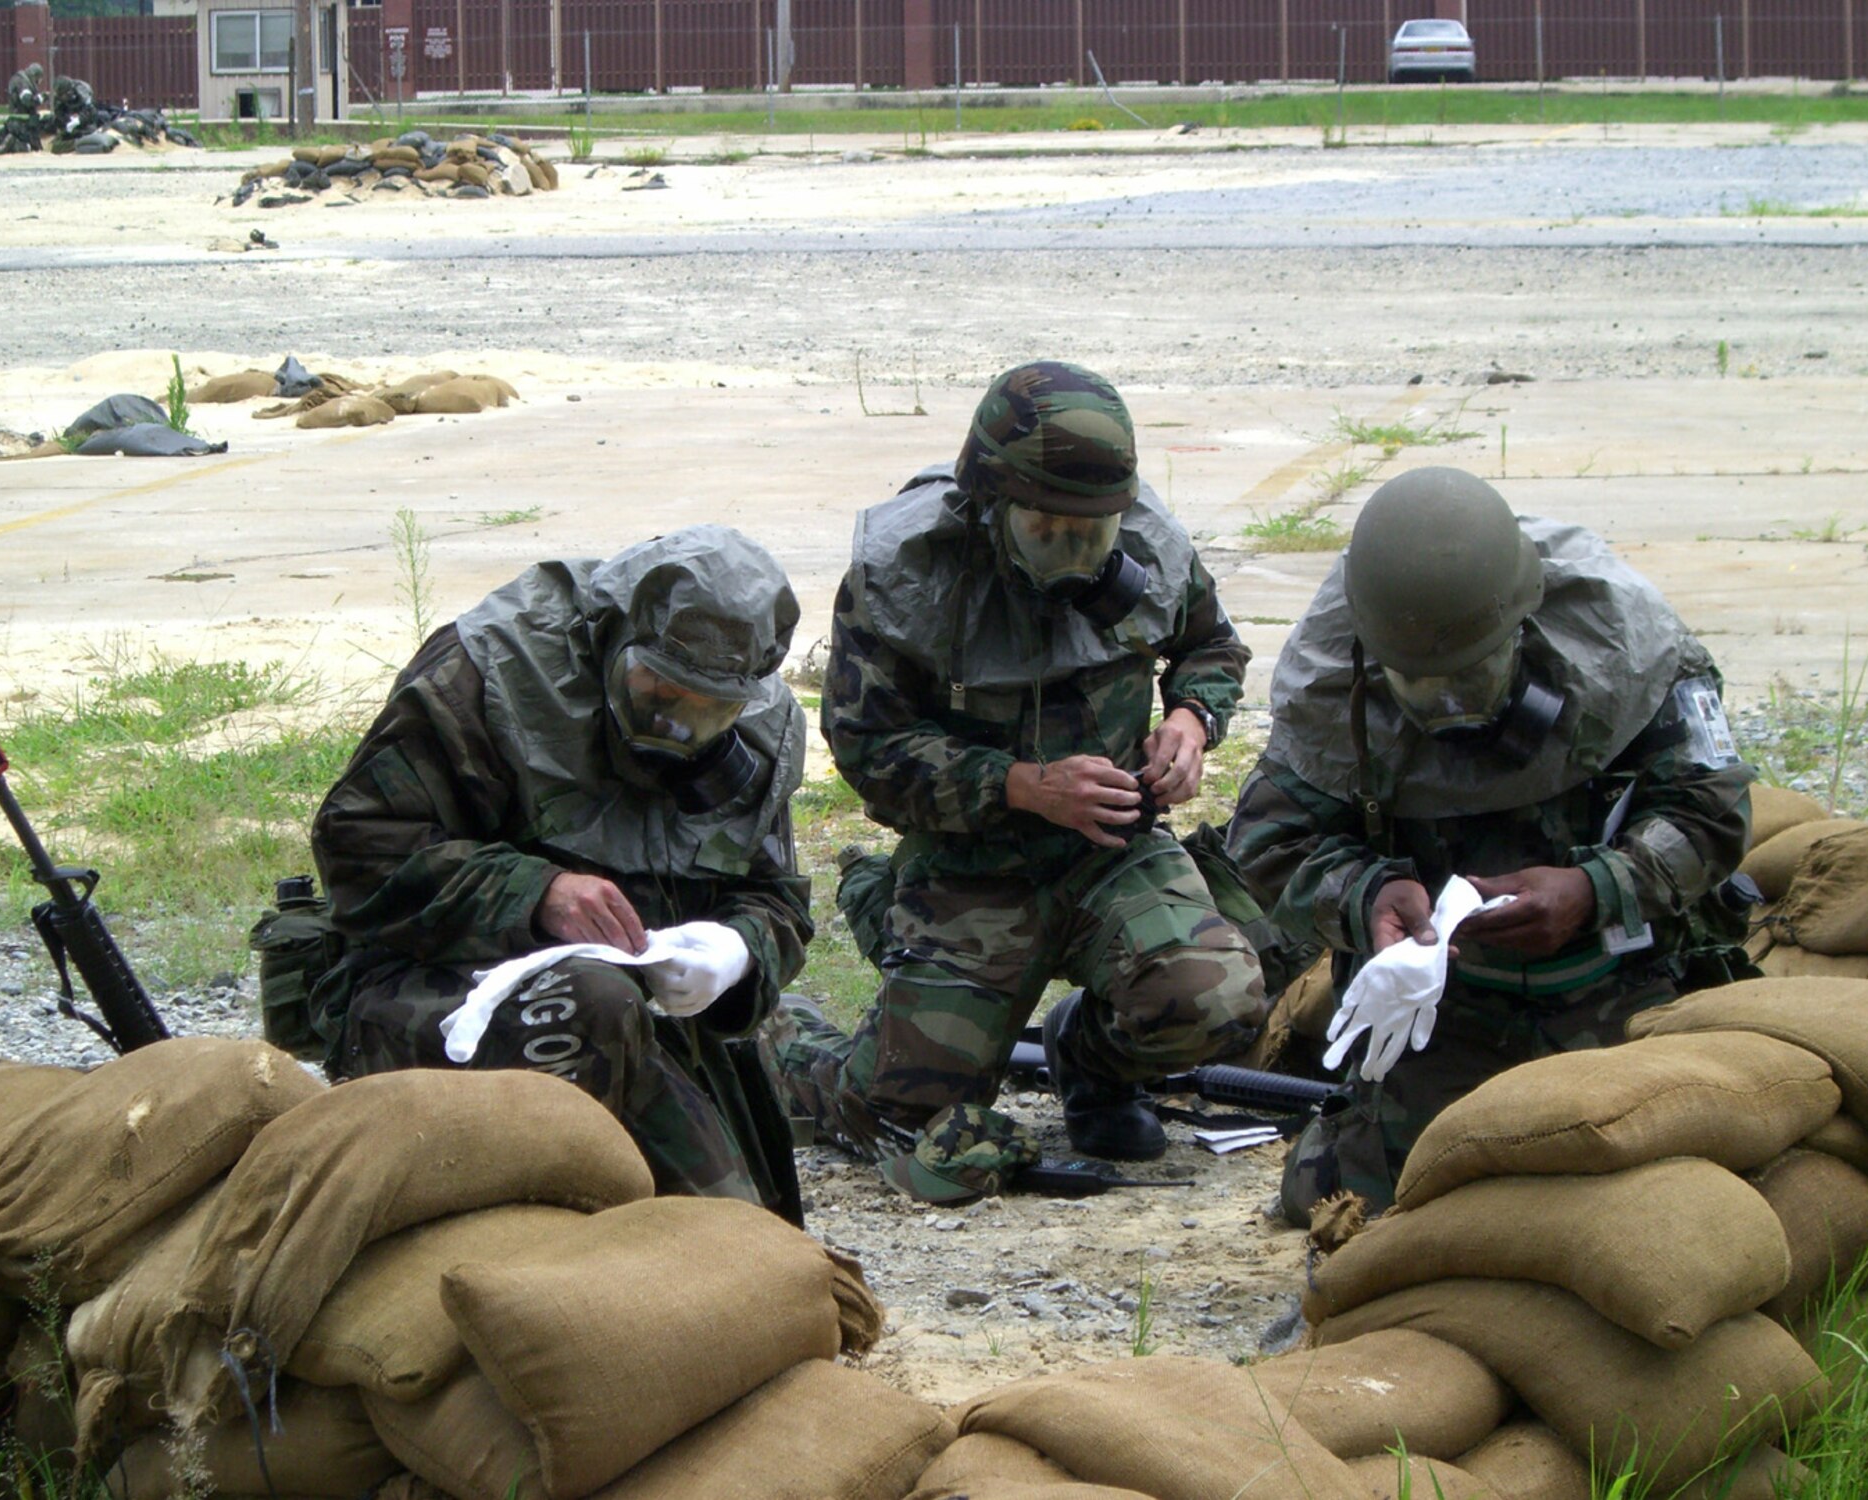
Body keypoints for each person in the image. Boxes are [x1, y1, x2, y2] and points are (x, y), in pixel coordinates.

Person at [764, 360, 1268, 1168]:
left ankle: (1093, 1063)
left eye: (1091, 534)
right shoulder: (906, 575)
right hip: (973, 863)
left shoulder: (1147, 548)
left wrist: (1191, 719)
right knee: (899, 1117)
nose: (1075, 555)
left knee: (1218, 1001)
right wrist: (1020, 785)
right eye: (1048, 532)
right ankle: (785, 1025)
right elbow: (869, 748)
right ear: (991, 503)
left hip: (1110, 852)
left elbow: (1210, 644)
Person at [1227, 467, 1755, 1212]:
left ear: (1522, 626)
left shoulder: (1625, 645)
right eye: (1422, 683)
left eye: (1471, 678)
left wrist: (1599, 888)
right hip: (1442, 1009)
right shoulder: (1329, 683)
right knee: (1381, 1201)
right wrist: (1369, 896)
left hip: (1619, 981)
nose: (1449, 706)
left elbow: (1713, 809)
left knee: (1667, 1190)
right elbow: (1269, 840)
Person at [309, 526, 813, 1216]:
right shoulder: (489, 673)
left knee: (752, 1250)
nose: (674, 729)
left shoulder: (758, 729)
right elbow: (357, 846)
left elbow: (776, 899)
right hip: (432, 984)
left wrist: (735, 954)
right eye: (656, 693)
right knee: (589, 1006)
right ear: (612, 637)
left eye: (707, 712)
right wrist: (536, 893)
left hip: (638, 1022)